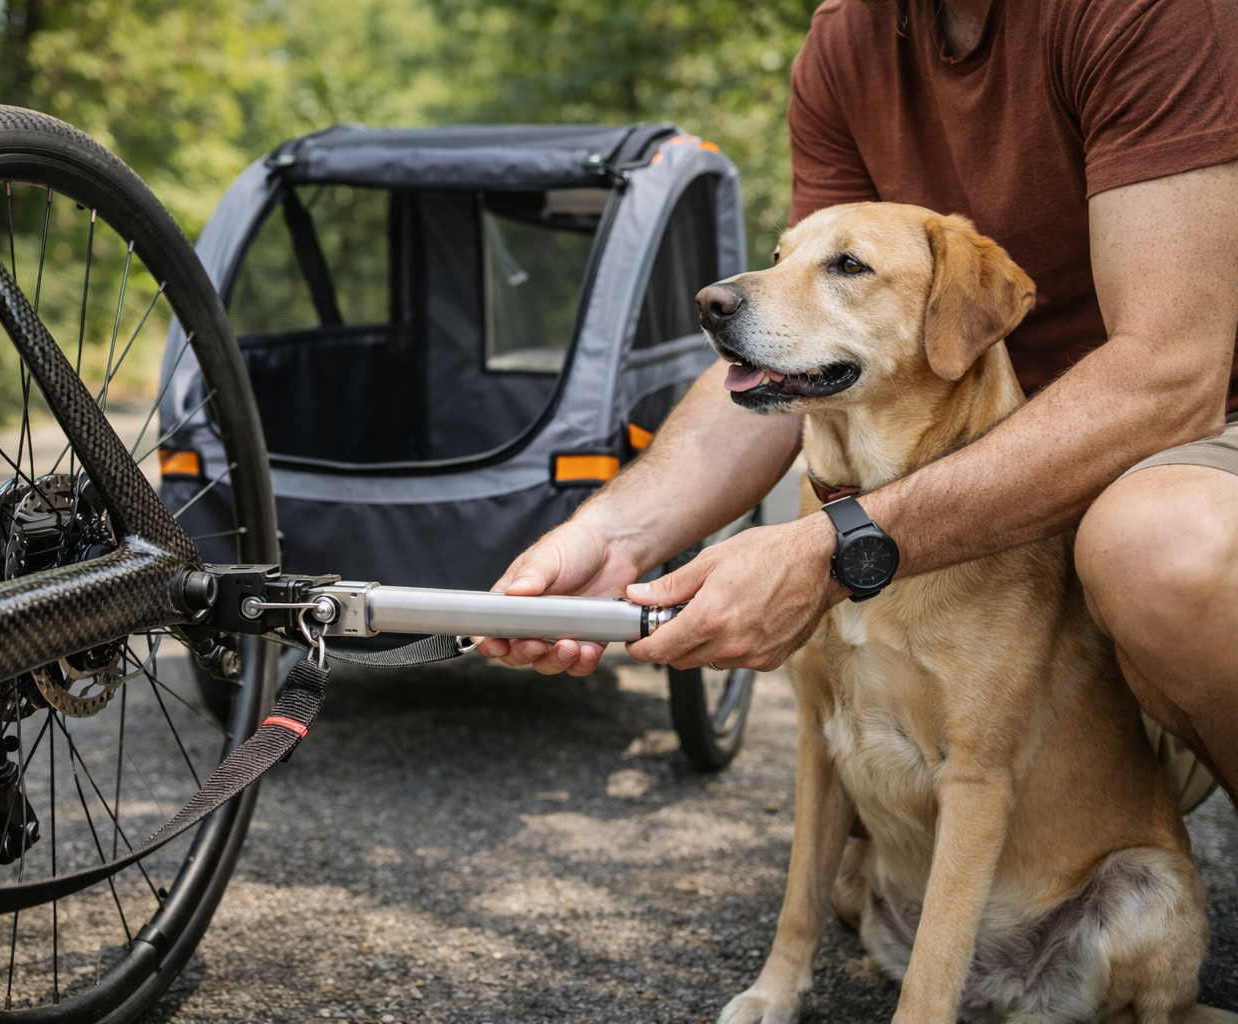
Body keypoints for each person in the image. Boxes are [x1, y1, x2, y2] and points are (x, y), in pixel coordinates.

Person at [476, 0, 1238, 795]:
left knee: (1159, 547)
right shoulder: (847, 39)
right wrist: (613, 536)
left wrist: (836, 552)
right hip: (964, 455)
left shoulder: (1147, 13)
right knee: (903, 868)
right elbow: (803, 346)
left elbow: (1174, 377)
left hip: (1184, 439)